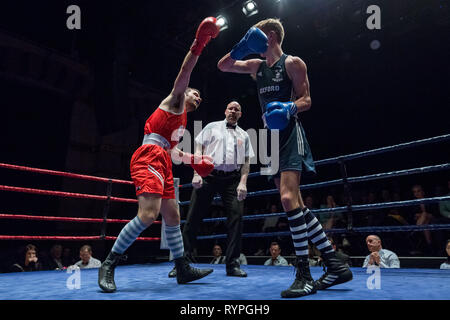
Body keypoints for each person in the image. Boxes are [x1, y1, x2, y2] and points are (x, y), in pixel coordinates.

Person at [217, 18, 352, 297]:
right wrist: (241, 48)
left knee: (289, 199)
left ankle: (303, 273)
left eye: (255, 33)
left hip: (290, 132)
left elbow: (307, 99)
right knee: (296, 204)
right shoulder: (256, 66)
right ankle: (334, 264)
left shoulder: (293, 63)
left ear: (270, 36)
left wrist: (288, 107)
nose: (252, 36)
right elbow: (224, 65)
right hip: (271, 139)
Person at [98, 17, 220, 293]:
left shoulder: (183, 122)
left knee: (173, 216)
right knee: (148, 214)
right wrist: (200, 43)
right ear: (185, 92)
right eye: (195, 93)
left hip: (163, 160)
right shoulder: (175, 100)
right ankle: (108, 263)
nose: (198, 98)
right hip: (148, 156)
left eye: (200, 98)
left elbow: (174, 153)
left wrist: (195, 161)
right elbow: (186, 69)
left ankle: (182, 268)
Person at [172, 100, 254, 278]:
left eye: (237, 109)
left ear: (240, 114)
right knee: (192, 217)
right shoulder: (211, 127)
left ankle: (232, 265)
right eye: (230, 108)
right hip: (208, 175)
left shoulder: (244, 135)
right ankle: (182, 264)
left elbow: (247, 161)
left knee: (236, 218)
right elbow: (199, 148)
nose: (233, 111)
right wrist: (196, 172)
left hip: (232, 179)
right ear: (225, 111)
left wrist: (243, 182)